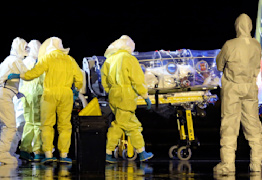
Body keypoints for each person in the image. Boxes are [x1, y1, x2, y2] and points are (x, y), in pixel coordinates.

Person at [8, 37, 83, 164]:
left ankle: (47, 154)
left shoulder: (47, 58)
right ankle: (64, 155)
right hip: (66, 94)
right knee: (65, 125)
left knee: (46, 124)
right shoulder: (70, 60)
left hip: (48, 94)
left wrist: (18, 76)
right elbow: (80, 78)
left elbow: (33, 74)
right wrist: (76, 90)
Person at [214, 13, 262, 174]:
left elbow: (220, 66)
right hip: (250, 87)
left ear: (237, 26)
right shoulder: (256, 45)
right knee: (253, 126)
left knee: (229, 126)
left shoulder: (230, 44)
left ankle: (227, 164)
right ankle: (256, 163)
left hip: (233, 89)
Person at [101, 35, 153, 163]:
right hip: (126, 95)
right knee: (124, 125)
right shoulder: (129, 58)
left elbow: (104, 80)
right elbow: (137, 79)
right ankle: (108, 152)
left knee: (127, 124)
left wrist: (111, 91)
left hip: (114, 95)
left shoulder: (109, 59)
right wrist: (145, 95)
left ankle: (140, 152)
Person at [0, 37, 28, 164]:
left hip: (4, 93)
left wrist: (16, 92)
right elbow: (29, 74)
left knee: (4, 125)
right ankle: (3, 154)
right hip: (3, 95)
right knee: (10, 126)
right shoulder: (16, 61)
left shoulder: (8, 60)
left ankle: (5, 153)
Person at [18, 40, 45, 162]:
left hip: (25, 94)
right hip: (36, 94)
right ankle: (38, 151)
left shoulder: (23, 62)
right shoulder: (39, 63)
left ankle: (25, 150)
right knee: (38, 123)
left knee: (28, 122)